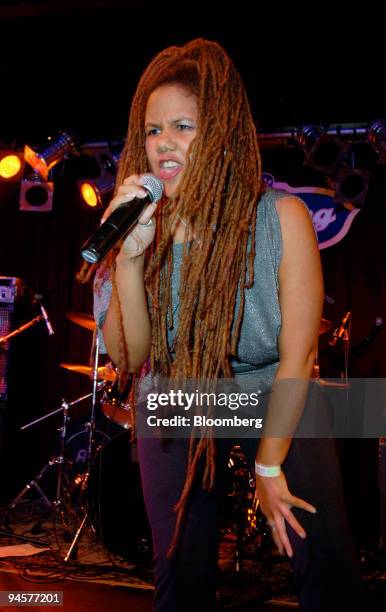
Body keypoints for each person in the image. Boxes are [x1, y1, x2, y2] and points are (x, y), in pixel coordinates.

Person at [93, 39, 365, 611]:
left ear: (219, 134)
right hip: (176, 391)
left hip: (271, 385)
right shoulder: (138, 230)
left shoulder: (280, 219)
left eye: (183, 126)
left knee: (325, 559)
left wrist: (269, 465)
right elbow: (128, 355)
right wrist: (132, 259)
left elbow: (298, 358)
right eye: (152, 130)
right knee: (180, 574)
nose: (163, 142)